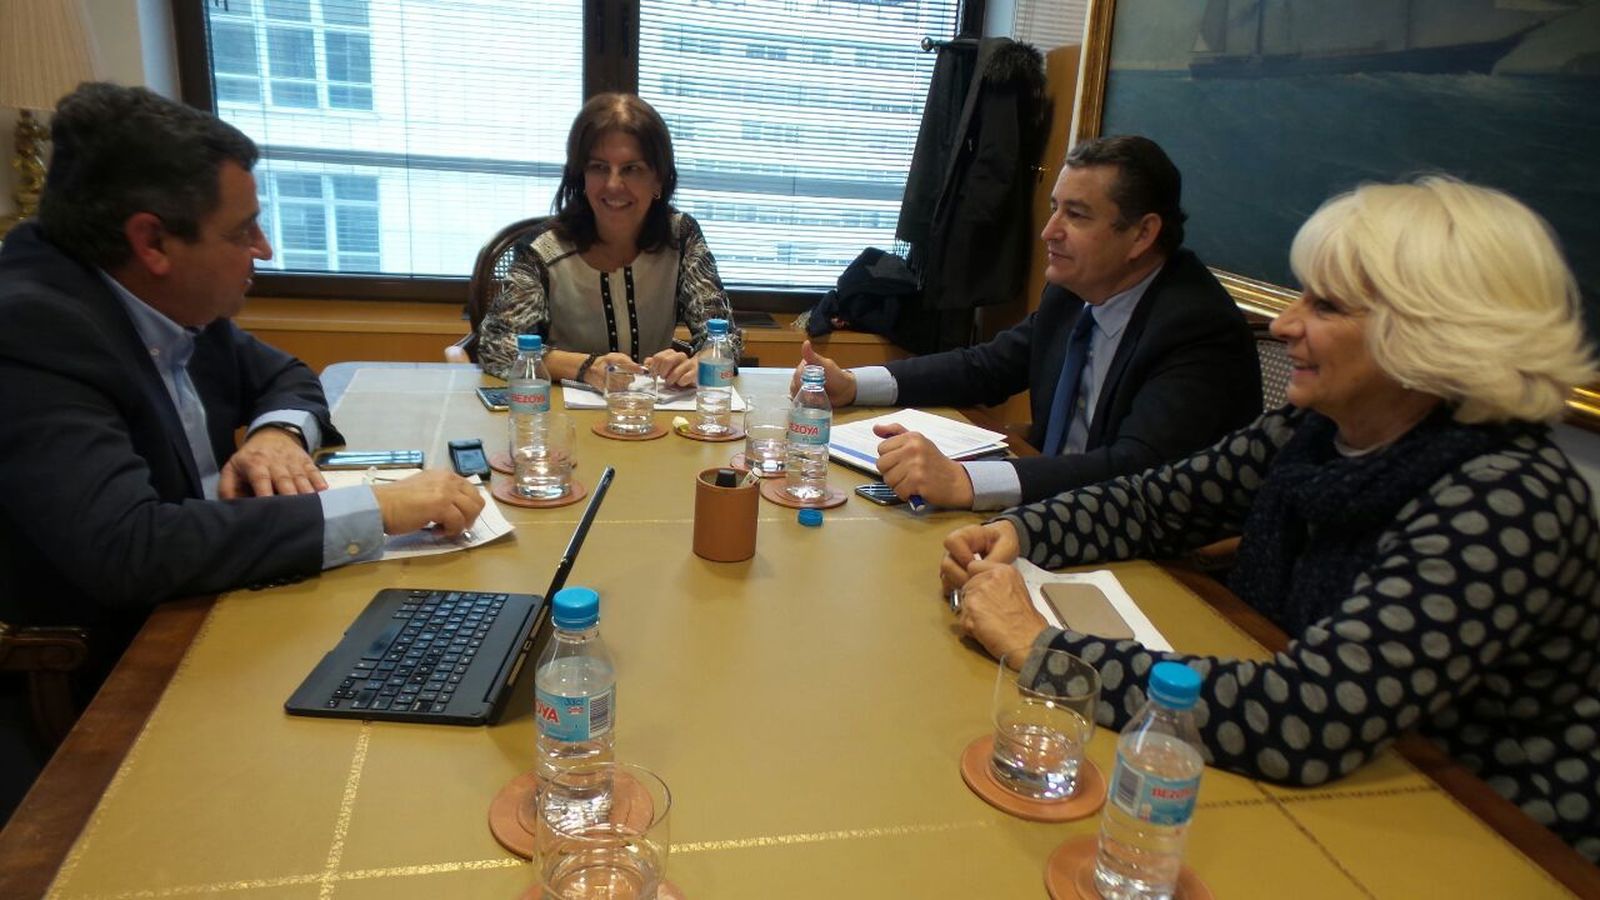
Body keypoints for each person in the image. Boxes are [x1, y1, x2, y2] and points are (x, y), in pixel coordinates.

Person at [942, 177, 1600, 860]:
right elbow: (1159, 501)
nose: (1284, 325)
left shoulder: (1507, 500)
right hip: (1352, 792)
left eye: (1326, 305)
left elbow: (1312, 712)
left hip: (1489, 838)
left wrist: (1044, 649)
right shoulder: (1317, 427)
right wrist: (1023, 532)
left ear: (1436, 336)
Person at [0, 83, 484, 769]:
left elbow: (287, 375)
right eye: (241, 230)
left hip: (214, 600)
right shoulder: (32, 329)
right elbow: (129, 547)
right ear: (152, 241)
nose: (263, 248)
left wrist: (276, 435)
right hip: (118, 676)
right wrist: (374, 509)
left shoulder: (162, 300)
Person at [792, 135, 1260, 510]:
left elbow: (1136, 469)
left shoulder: (1195, 327)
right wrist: (853, 384)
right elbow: (987, 367)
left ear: (1143, 234)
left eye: (1075, 215)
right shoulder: (1074, 291)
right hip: (1049, 506)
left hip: (1150, 550)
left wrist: (963, 480)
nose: (1048, 231)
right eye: (1055, 207)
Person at [477, 93, 739, 388]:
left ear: (658, 180)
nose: (614, 185)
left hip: (656, 415)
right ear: (581, 177)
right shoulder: (541, 250)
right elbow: (495, 344)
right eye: (599, 167)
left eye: (632, 169)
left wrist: (700, 360)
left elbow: (724, 338)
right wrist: (587, 368)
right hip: (561, 420)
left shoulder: (682, 236)